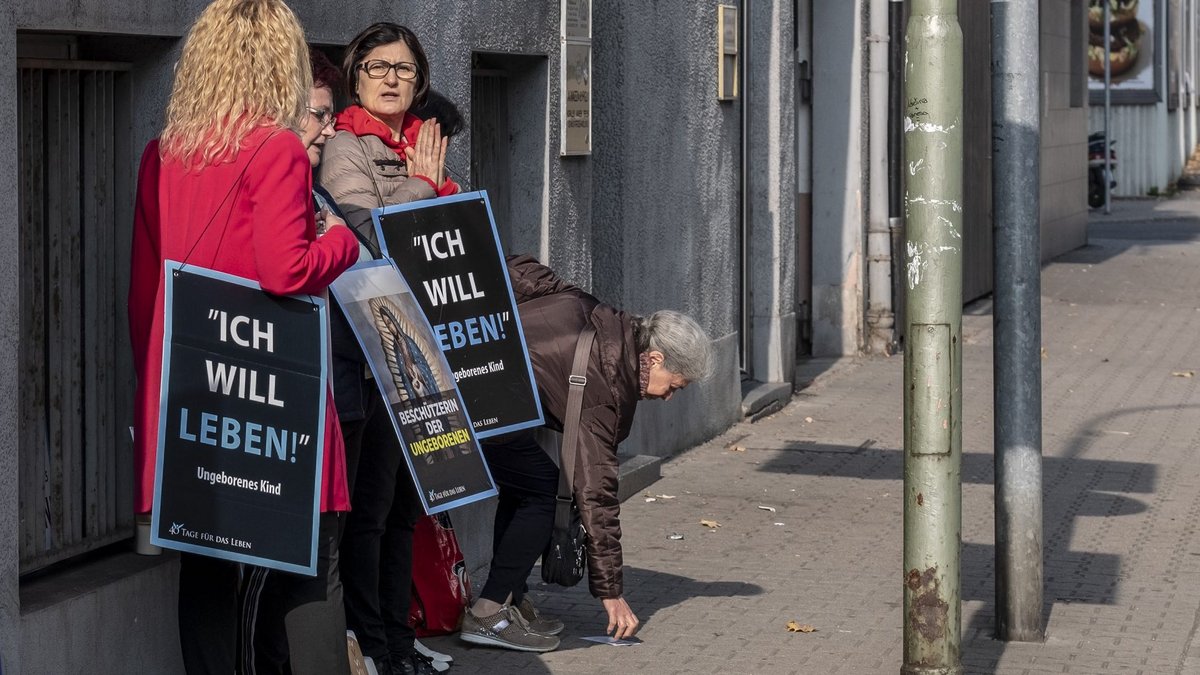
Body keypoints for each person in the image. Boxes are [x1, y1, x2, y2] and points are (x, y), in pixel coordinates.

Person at [126, 2, 359, 673]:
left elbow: (144, 296)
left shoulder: (162, 154)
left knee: (205, 572)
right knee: (310, 568)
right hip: (272, 388)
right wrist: (340, 244)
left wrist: (154, 400)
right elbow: (285, 270)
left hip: (193, 394)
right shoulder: (277, 149)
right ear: (278, 64)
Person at [459, 255, 715, 652]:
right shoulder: (608, 386)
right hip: (479, 403)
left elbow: (517, 270)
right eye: (675, 386)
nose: (668, 398)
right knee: (542, 493)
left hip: (476, 388)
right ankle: (487, 613)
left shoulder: (591, 309)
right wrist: (610, 592)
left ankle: (509, 599)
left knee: (526, 487)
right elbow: (597, 495)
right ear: (655, 358)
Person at [319, 22, 459, 675]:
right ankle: (369, 641)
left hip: (420, 358)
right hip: (370, 357)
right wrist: (424, 189)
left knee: (408, 509)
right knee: (371, 512)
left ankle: (400, 642)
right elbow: (366, 233)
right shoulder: (345, 146)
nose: (392, 77)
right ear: (356, 75)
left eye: (404, 68)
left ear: (420, 78)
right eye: (377, 66)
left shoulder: (420, 142)